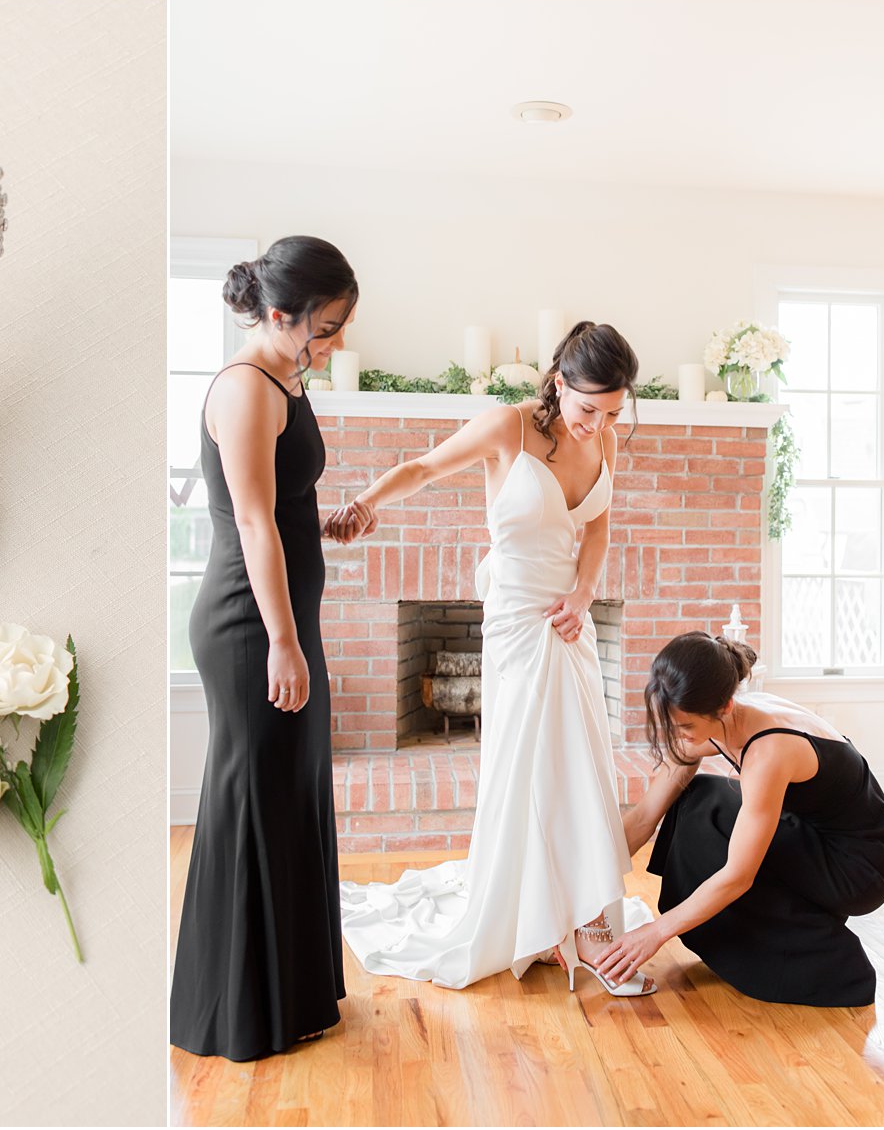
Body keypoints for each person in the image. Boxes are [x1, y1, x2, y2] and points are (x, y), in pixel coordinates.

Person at [332, 321, 657, 995]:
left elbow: (597, 524)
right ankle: (530, 917)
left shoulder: (603, 440)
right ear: (559, 383)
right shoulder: (506, 429)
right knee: (527, 763)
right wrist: (366, 502)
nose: (599, 425)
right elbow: (425, 466)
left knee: (579, 761)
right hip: (515, 620)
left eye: (614, 412)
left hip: (570, 618)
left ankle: (585, 922)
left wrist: (586, 591)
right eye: (588, 408)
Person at [170, 236, 356, 1061]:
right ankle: (238, 1010)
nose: (335, 342)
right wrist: (284, 641)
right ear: (280, 315)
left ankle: (292, 995)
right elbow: (247, 521)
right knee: (255, 800)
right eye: (326, 327)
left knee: (290, 796)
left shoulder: (286, 373)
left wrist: (321, 522)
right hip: (251, 628)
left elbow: (276, 508)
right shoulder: (246, 388)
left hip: (283, 620)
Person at [599, 631, 884, 1006]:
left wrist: (655, 933)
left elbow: (737, 876)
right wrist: (581, 897)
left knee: (706, 819)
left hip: (860, 866)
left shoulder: (769, 750)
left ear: (723, 707)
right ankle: (783, 916)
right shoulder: (720, 718)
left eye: (686, 727)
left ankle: (820, 954)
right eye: (671, 725)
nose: (679, 736)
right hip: (815, 834)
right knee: (697, 800)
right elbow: (646, 814)